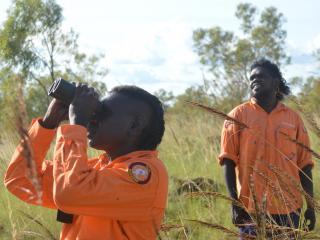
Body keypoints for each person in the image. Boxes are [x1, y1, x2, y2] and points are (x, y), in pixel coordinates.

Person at [4, 84, 168, 240]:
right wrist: (48, 123)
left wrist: (77, 124)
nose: (92, 119)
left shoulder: (146, 176)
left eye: (102, 113)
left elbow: (69, 193)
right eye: (93, 112)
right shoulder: (94, 170)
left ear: (134, 126)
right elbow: (20, 179)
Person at [219, 58, 315, 238]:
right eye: (251, 78)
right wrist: (235, 203)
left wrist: (310, 206)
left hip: (289, 210)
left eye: (261, 76)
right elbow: (228, 160)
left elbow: (305, 165)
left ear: (275, 82)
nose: (254, 80)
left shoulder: (293, 119)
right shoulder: (236, 116)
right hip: (251, 209)